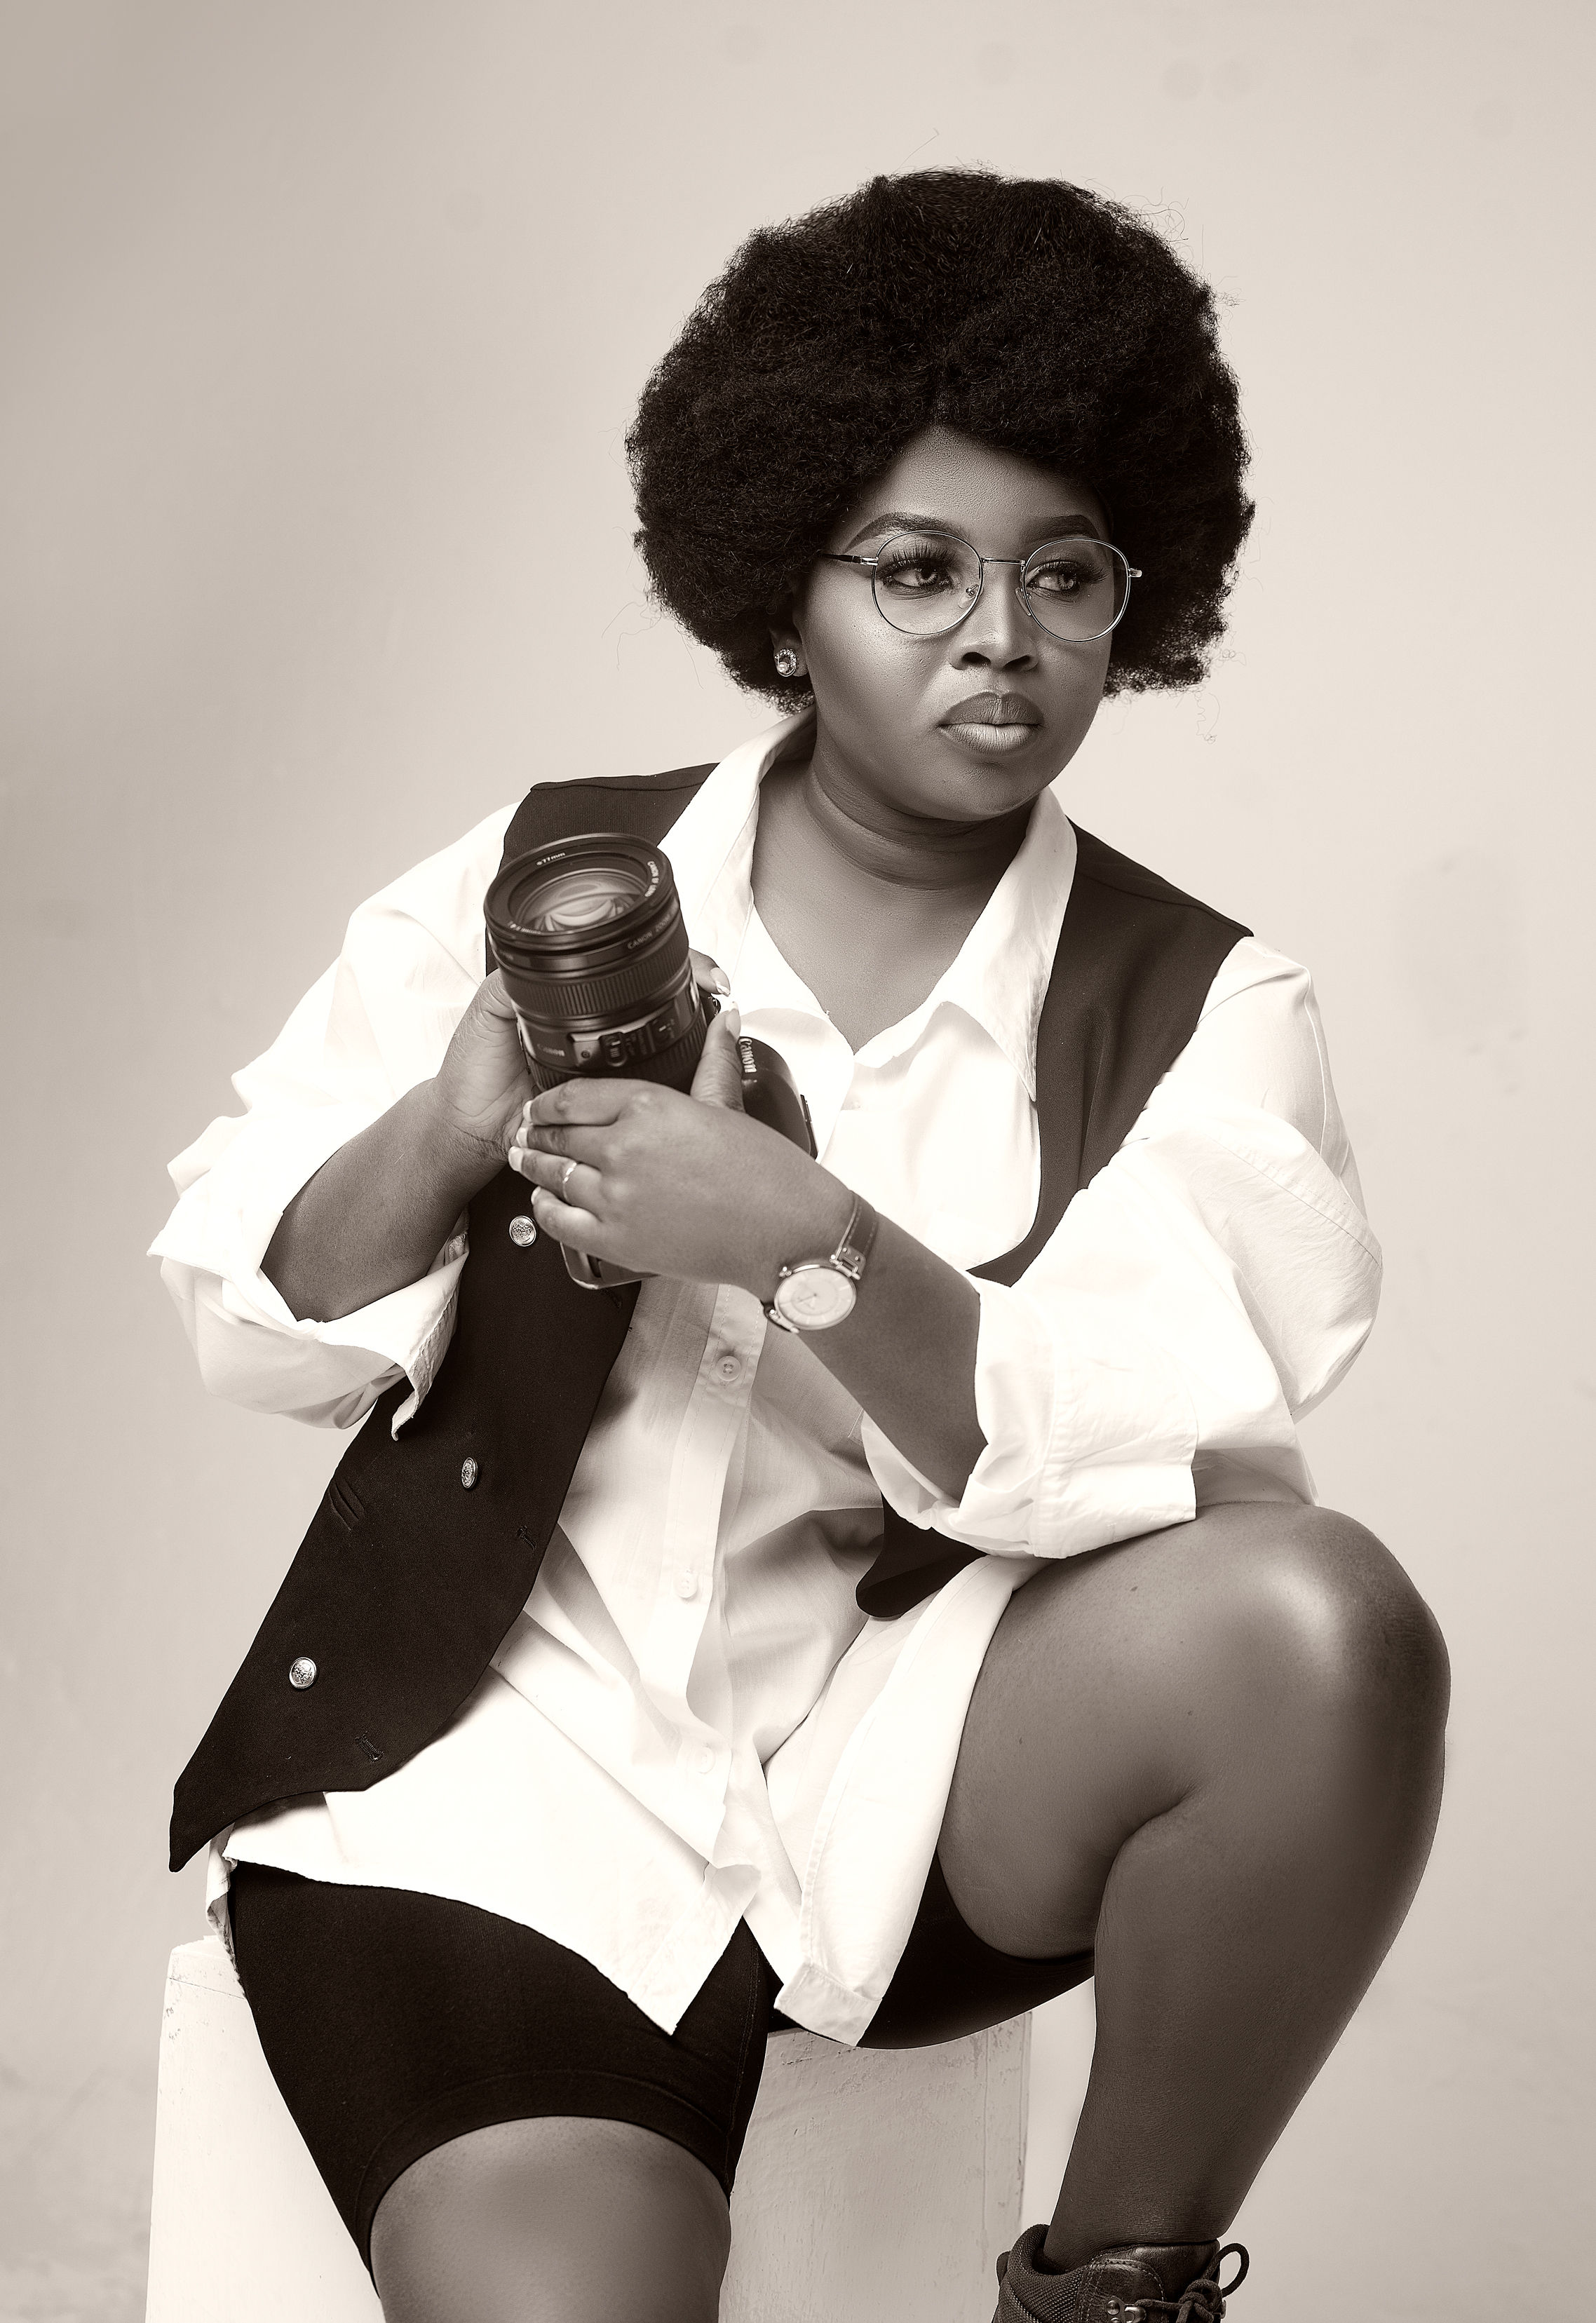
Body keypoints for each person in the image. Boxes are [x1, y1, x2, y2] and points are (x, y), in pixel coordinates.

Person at [151, 170, 1448, 2323]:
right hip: (494, 1771)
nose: (998, 635)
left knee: (1320, 1628)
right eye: (917, 568)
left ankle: (1108, 2296)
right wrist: (454, 1119)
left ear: (1136, 600)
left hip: (904, 1757)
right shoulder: (545, 874)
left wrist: (811, 1242)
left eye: (1064, 573)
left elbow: (1133, 1452)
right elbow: (249, 1324)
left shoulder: (1201, 1006)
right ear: (785, 583)